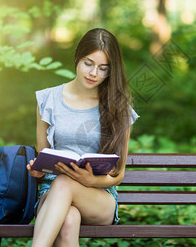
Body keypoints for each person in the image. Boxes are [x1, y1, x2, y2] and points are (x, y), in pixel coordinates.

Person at [27, 28, 139, 247]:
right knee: (68, 219)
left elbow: (118, 174)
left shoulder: (119, 108)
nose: (94, 73)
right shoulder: (48, 99)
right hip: (51, 194)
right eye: (88, 63)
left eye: (103, 68)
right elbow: (44, 155)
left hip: (98, 196)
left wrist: (92, 180)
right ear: (78, 58)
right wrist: (38, 170)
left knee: (65, 183)